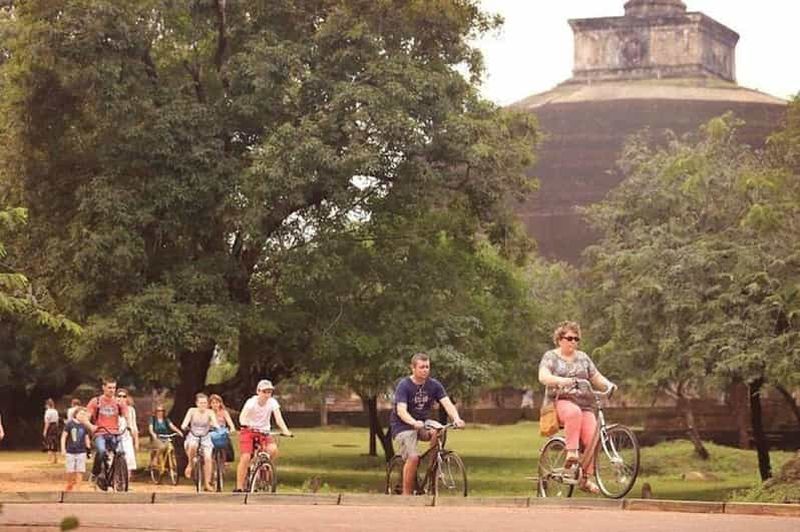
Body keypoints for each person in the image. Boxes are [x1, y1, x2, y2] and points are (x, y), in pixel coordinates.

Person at [538, 321, 616, 494]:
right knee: (574, 413)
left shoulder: (583, 358)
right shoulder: (551, 357)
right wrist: (559, 380)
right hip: (560, 401)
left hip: (585, 404)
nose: (573, 342)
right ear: (560, 340)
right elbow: (543, 376)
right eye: (569, 338)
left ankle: (585, 479)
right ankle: (571, 453)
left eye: (576, 339)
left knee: (593, 438)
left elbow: (595, 377)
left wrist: (608, 385)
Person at [389, 352, 466, 496]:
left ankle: (432, 470)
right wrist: (413, 422)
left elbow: (447, 403)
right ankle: (406, 496)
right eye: (422, 367)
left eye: (427, 367)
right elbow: (401, 410)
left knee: (439, 430)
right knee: (413, 457)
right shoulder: (404, 385)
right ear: (413, 368)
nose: (425, 370)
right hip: (403, 426)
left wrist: (456, 418)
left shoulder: (434, 385)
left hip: (423, 423)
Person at [234, 380, 292, 492]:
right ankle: (239, 487)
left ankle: (265, 468)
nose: (267, 394)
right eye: (264, 391)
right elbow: (242, 417)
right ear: (258, 391)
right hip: (249, 430)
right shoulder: (251, 402)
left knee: (273, 450)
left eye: (269, 392)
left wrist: (286, 431)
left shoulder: (272, 402)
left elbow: (278, 419)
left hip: (264, 432)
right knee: (246, 457)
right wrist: (246, 425)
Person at [86, 377, 128, 487]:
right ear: (103, 387)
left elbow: (125, 416)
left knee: (121, 453)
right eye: (109, 387)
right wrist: (91, 426)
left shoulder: (119, 402)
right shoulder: (96, 401)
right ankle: (95, 474)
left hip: (115, 433)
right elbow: (85, 417)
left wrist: (129, 426)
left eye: (114, 388)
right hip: (101, 433)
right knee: (101, 451)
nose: (112, 390)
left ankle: (119, 477)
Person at [180, 393, 219, 491]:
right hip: (193, 435)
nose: (203, 405)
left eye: (205, 403)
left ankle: (207, 483)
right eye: (201, 403)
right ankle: (190, 465)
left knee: (208, 458)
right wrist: (184, 426)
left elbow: (215, 422)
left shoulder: (210, 412)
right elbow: (184, 423)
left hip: (206, 436)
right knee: (193, 445)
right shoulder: (192, 411)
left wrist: (215, 426)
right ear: (197, 403)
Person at [61, 407, 91, 491]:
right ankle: (70, 483)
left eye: (84, 414)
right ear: (76, 414)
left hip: (81, 451)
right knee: (70, 470)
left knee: (80, 470)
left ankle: (78, 489)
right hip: (70, 451)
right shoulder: (70, 424)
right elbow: (64, 437)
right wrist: (63, 449)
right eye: (81, 414)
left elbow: (86, 438)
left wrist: (88, 450)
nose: (82, 416)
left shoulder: (84, 425)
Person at [116, 388, 139, 477]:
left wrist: (136, 441)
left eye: (124, 396)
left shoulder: (131, 410)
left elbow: (134, 426)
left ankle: (126, 482)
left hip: (127, 437)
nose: (121, 398)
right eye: (119, 396)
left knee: (129, 460)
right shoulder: (113, 408)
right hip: (115, 436)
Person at [209, 394, 236, 462]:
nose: (215, 405)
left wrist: (232, 428)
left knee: (226, 442)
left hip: (221, 431)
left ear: (220, 403)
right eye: (213, 403)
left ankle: (225, 459)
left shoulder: (224, 412)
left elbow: (230, 423)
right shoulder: (208, 412)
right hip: (211, 431)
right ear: (210, 404)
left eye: (217, 402)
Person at [43, 398, 60, 464]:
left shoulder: (48, 411)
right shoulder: (55, 411)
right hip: (55, 426)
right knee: (55, 442)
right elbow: (57, 421)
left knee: (49, 442)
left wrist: (45, 430)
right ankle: (55, 459)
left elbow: (47, 422)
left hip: (50, 426)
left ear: (47, 405)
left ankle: (49, 459)